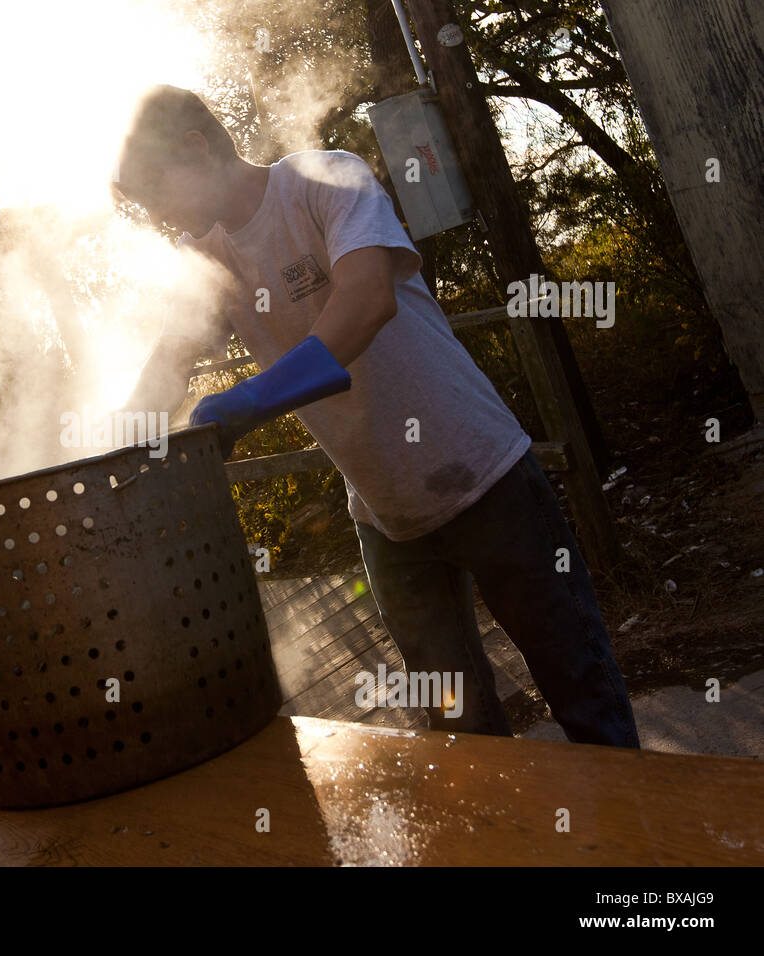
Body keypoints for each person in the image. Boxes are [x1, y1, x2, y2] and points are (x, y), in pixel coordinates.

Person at [113, 85, 639, 749]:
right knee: (459, 731)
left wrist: (252, 398)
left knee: (582, 688)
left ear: (195, 147)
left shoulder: (323, 178)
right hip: (386, 518)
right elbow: (168, 363)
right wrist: (111, 444)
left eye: (159, 193)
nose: (162, 217)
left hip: (485, 476)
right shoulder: (209, 264)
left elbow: (366, 300)